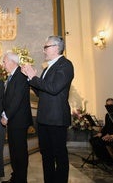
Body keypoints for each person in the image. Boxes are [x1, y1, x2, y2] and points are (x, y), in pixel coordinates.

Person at [21, 36, 74, 183]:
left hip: (56, 118)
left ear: (56, 48)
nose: (43, 50)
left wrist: (33, 77)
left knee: (60, 156)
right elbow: (41, 93)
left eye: (46, 47)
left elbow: (54, 88)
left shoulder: (65, 65)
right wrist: (30, 79)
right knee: (46, 155)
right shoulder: (47, 68)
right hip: (44, 118)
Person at [1, 52, 33, 183]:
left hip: (19, 121)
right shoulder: (12, 76)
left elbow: (17, 99)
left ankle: (21, 180)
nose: (2, 64)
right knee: (14, 151)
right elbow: (8, 99)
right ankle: (15, 177)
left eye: (4, 62)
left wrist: (6, 116)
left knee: (20, 152)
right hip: (14, 120)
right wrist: (4, 113)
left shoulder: (20, 75)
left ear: (12, 62)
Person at [89, 98, 113, 166]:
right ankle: (107, 160)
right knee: (94, 140)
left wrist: (112, 136)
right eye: (108, 105)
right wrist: (101, 133)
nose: (110, 107)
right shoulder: (107, 115)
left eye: (111, 105)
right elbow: (106, 127)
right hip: (109, 135)